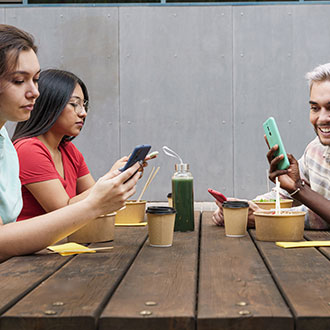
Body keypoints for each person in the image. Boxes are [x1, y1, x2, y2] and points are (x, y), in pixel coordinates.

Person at [0, 24, 140, 262]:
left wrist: (111, 183)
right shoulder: (27, 148)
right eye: (18, 80)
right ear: (53, 105)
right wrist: (95, 204)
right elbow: (64, 208)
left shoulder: (9, 145)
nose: (35, 92)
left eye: (35, 80)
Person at [213, 63, 330, 230]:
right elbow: (282, 196)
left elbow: (319, 216)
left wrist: (264, 218)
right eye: (315, 108)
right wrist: (243, 208)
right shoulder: (315, 149)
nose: (322, 118)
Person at [12, 69, 134, 221]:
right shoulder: (28, 150)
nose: (83, 113)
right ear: (50, 105)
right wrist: (110, 177)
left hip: (62, 242)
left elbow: (96, 200)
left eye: (84, 105)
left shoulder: (68, 149)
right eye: (74, 104)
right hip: (33, 244)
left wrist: (120, 176)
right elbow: (63, 212)